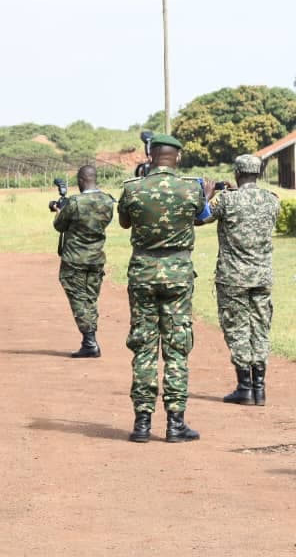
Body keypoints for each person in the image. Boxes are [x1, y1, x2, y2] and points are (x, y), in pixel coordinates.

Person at [117, 134, 205, 443]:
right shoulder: (191, 189)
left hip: (142, 272)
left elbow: (125, 224)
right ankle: (175, 423)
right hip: (178, 274)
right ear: (177, 158)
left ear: (151, 156)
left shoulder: (132, 189)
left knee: (144, 346)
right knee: (177, 348)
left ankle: (142, 422)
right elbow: (201, 218)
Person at [201, 154, 280, 406]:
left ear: (236, 173)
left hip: (233, 277)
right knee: (260, 328)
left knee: (237, 329)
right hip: (262, 276)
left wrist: (207, 195)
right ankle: (260, 388)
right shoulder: (272, 200)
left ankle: (244, 387)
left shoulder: (226, 200)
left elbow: (199, 218)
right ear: (258, 174)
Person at [52, 165, 115, 358]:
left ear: (80, 181)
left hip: (75, 260)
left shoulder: (75, 203)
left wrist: (58, 209)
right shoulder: (108, 200)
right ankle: (89, 339)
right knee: (90, 298)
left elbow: (59, 225)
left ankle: (90, 342)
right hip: (96, 258)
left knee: (78, 298)